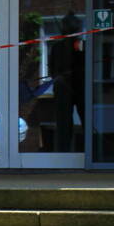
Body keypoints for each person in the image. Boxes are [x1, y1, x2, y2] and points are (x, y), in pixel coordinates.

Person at [49, 11, 84, 152]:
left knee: (85, 120)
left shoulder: (81, 46)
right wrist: (60, 77)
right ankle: (63, 152)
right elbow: (53, 70)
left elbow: (85, 67)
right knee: (63, 123)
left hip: (80, 89)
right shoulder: (57, 48)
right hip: (64, 90)